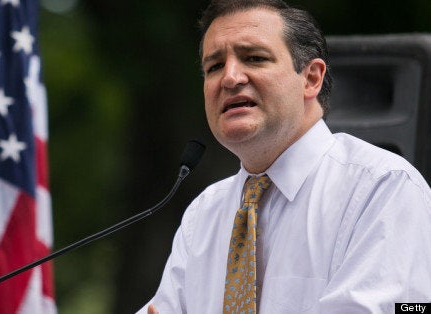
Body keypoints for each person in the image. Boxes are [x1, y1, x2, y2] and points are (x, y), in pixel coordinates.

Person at [137, 0, 431, 313]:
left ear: (311, 78)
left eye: (254, 58)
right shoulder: (203, 214)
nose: (230, 78)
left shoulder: (382, 189)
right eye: (214, 66)